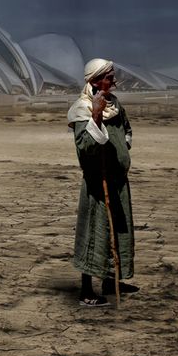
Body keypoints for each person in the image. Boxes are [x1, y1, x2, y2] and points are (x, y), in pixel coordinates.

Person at [66, 58, 137, 307]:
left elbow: (127, 130)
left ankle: (111, 281)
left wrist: (121, 150)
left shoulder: (114, 104)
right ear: (95, 81)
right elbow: (85, 147)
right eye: (109, 76)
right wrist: (96, 115)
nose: (113, 80)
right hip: (98, 183)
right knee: (93, 234)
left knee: (117, 231)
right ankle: (86, 290)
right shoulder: (82, 108)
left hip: (117, 180)